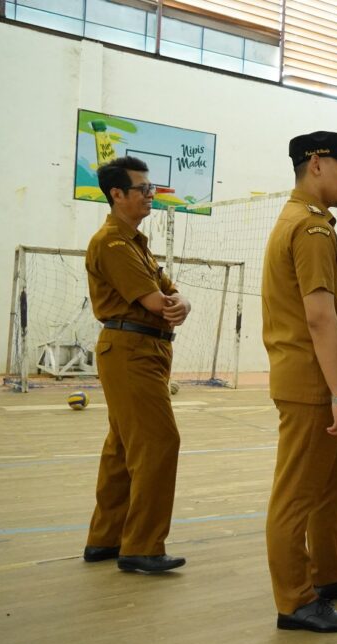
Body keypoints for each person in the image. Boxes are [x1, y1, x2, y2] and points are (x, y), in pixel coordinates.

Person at [262, 131, 337, 633]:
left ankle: (327, 574)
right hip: (314, 388)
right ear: (316, 165)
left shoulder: (311, 224)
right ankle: (296, 600)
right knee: (297, 493)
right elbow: (320, 318)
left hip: (323, 385)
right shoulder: (310, 230)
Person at [83, 156, 192, 574]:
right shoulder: (112, 242)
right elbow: (157, 301)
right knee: (158, 442)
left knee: (122, 447)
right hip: (132, 350)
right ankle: (142, 546)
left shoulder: (134, 242)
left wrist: (179, 300)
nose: (151, 195)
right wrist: (174, 303)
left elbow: (172, 293)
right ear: (117, 194)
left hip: (142, 349)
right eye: (143, 189)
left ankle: (106, 538)